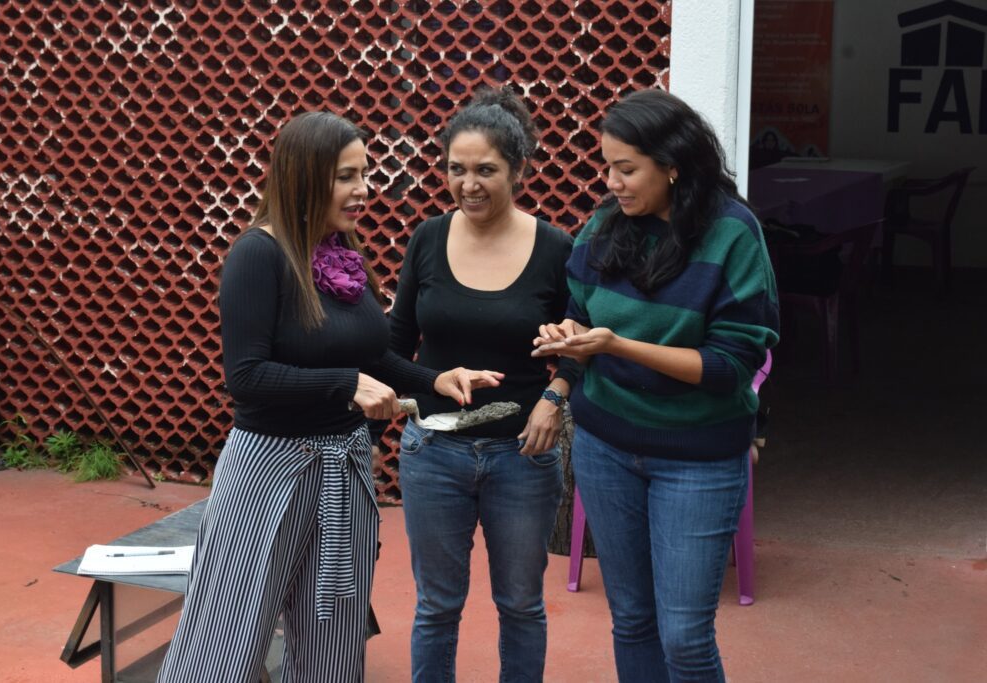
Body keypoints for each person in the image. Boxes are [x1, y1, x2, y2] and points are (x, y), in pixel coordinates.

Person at [157, 111, 501, 683]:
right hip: (268, 472)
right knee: (223, 643)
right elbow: (245, 376)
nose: (364, 190)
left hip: (344, 468)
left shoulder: (340, 255)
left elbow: (368, 356)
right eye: (347, 176)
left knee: (332, 645)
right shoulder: (257, 255)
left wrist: (433, 379)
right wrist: (345, 387)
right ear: (304, 176)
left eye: (364, 174)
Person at [533, 89, 779, 682]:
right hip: (604, 447)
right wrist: (571, 335)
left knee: (686, 638)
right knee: (632, 620)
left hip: (696, 457)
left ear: (672, 165)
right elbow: (582, 310)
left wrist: (615, 343)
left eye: (627, 168)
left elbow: (730, 366)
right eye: (608, 167)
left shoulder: (732, 234)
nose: (612, 182)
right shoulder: (604, 225)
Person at [389, 87, 580, 682]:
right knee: (437, 607)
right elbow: (393, 347)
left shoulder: (555, 248)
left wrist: (555, 396)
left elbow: (583, 346)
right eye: (456, 169)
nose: (468, 184)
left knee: (521, 606)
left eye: (486, 171)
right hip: (433, 451)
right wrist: (414, 391)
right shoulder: (427, 239)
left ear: (519, 170)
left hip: (522, 456)